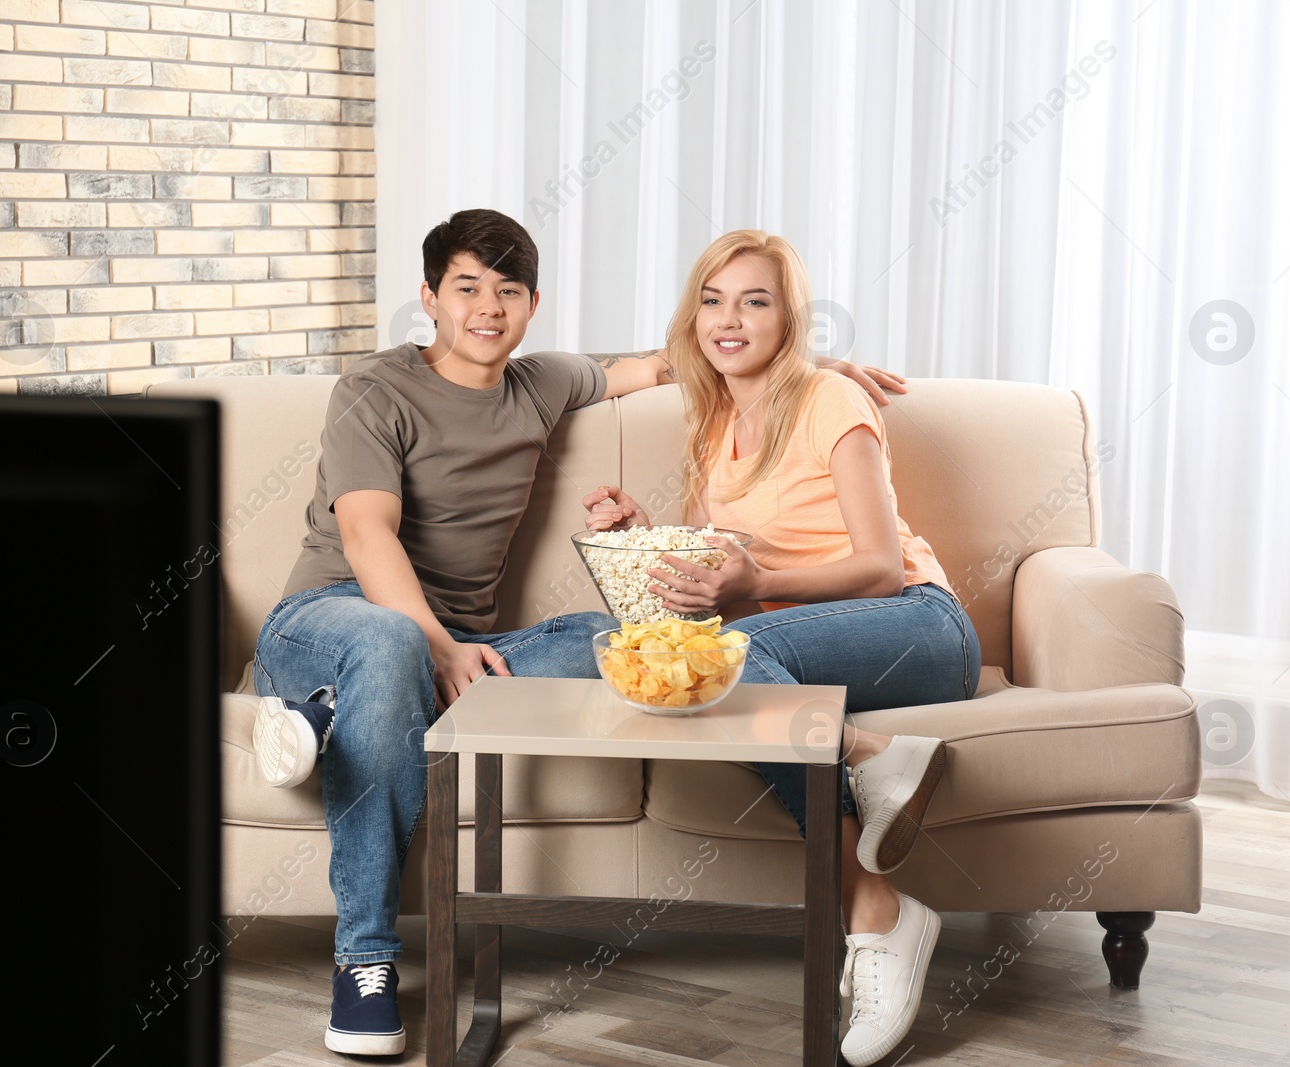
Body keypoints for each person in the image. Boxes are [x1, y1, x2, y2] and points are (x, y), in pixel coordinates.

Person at [248, 209, 906, 1057]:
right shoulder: (374, 389)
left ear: (531, 305)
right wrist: (437, 646)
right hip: (330, 619)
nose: (488, 308)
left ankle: (326, 714)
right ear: (429, 298)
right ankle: (364, 960)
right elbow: (369, 536)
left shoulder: (545, 382)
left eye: (508, 291)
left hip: (462, 651)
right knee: (391, 644)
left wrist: (806, 370)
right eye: (466, 288)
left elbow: (684, 354)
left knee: (608, 634)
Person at [581, 230, 981, 1067]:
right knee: (700, 657)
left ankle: (878, 903)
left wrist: (749, 583)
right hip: (800, 642)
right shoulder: (713, 425)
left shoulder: (830, 398)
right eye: (713, 300)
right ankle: (873, 835)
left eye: (755, 300)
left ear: (789, 317)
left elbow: (876, 565)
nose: (730, 319)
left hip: (918, 624)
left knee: (726, 655)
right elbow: (724, 577)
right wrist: (647, 540)